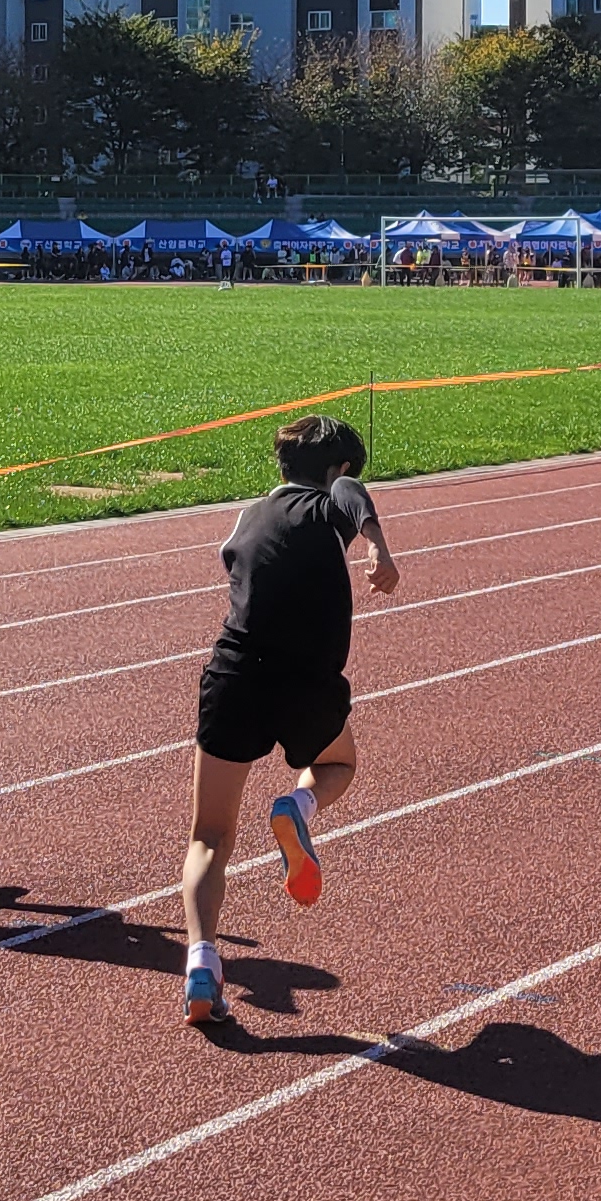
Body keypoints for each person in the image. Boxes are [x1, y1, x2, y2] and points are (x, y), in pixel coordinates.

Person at [176, 414, 400, 1028]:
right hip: (305, 680)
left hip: (234, 675)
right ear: (338, 471)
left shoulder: (249, 516)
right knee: (337, 763)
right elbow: (350, 497)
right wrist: (378, 545)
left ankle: (202, 961)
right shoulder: (334, 501)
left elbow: (235, 561)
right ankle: (298, 809)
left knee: (208, 838)